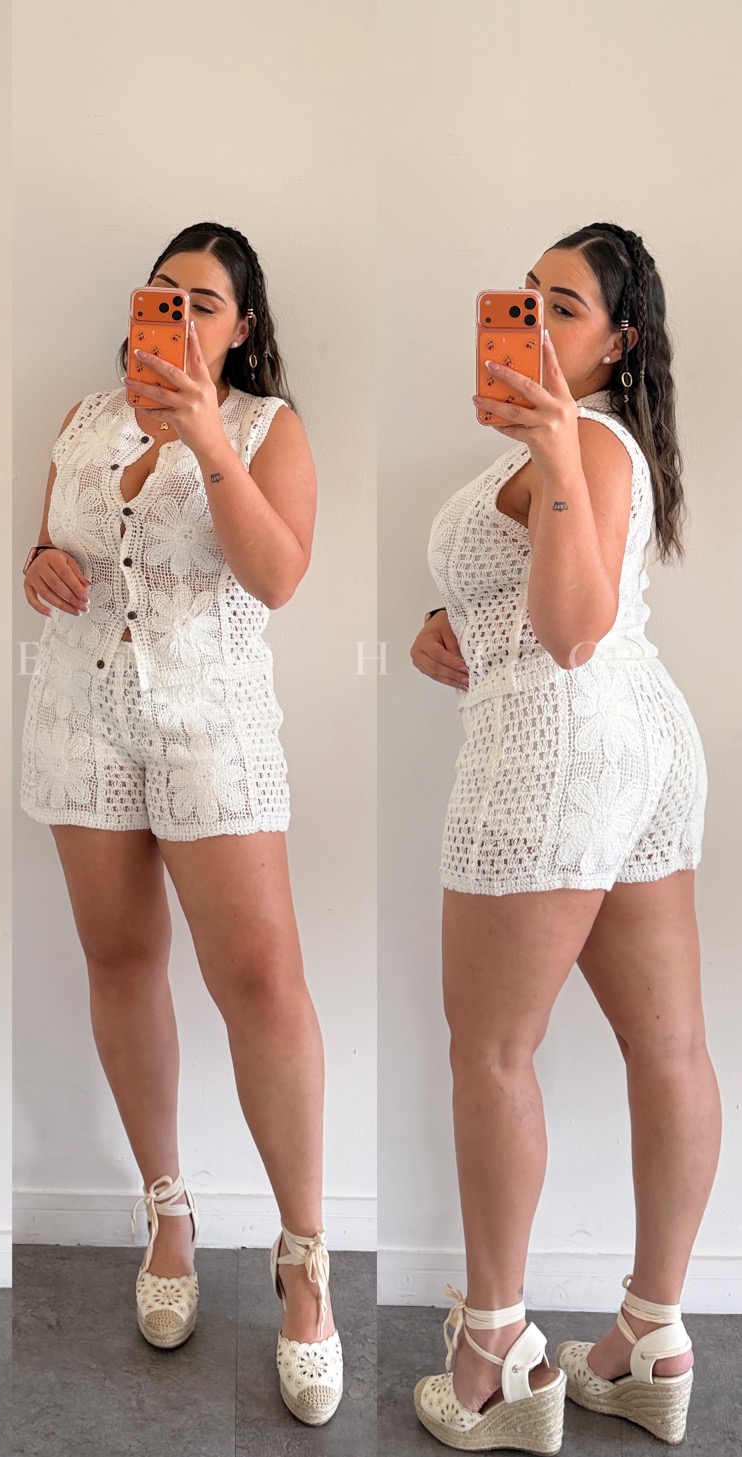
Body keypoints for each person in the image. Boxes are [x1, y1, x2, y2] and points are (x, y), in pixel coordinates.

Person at [20, 221, 342, 1425]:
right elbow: (57, 546)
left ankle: (303, 1257)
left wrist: (205, 433)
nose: (180, 315)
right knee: (117, 958)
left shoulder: (266, 427)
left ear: (243, 325)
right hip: (79, 714)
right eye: (163, 294)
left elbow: (276, 575)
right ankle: (166, 1209)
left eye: (205, 301)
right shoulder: (80, 417)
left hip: (212, 724)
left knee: (260, 981)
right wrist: (38, 564)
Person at [409, 223, 719, 1452]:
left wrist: (544, 446)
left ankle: (492, 1356)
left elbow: (570, 629)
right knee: (668, 1044)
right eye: (524, 296)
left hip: (553, 751)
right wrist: (452, 620)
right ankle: (649, 1334)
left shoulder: (577, 440)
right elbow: (547, 597)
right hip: (639, 745)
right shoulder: (597, 443)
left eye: (564, 306)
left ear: (618, 341)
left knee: (490, 1049)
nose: (534, 319)